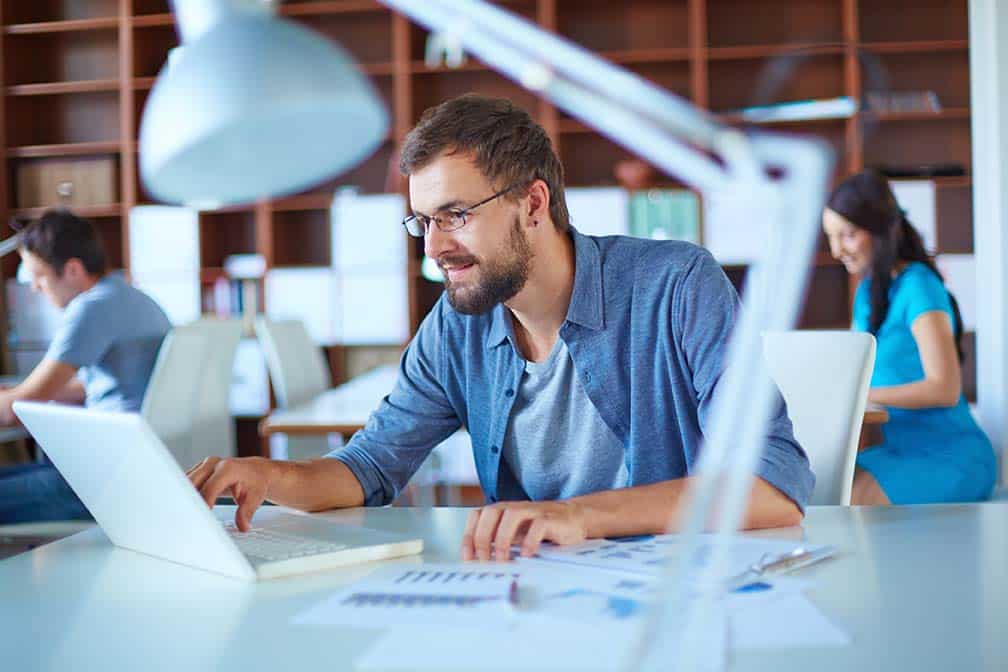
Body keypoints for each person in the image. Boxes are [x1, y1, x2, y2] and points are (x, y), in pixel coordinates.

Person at [188, 94, 814, 561]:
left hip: (683, 594)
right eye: (423, 222)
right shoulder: (457, 328)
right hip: (539, 596)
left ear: (534, 204)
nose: (434, 247)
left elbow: (771, 486)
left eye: (455, 216)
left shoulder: (676, 285)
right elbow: (371, 466)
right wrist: (271, 478)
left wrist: (577, 517)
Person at [822, 170, 995, 505]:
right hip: (899, 450)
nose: (836, 249)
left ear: (880, 231)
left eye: (848, 235)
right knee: (818, 483)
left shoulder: (918, 285)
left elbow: (945, 388)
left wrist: (860, 394)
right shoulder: (867, 294)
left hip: (950, 456)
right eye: (831, 237)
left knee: (849, 497)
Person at [0, 210, 172, 523]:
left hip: (103, 480)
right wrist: (15, 394)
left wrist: (12, 398)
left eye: (39, 277)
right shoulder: (134, 298)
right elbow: (106, 385)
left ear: (73, 269)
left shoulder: (91, 308)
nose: (36, 288)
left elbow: (17, 408)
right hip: (136, 468)